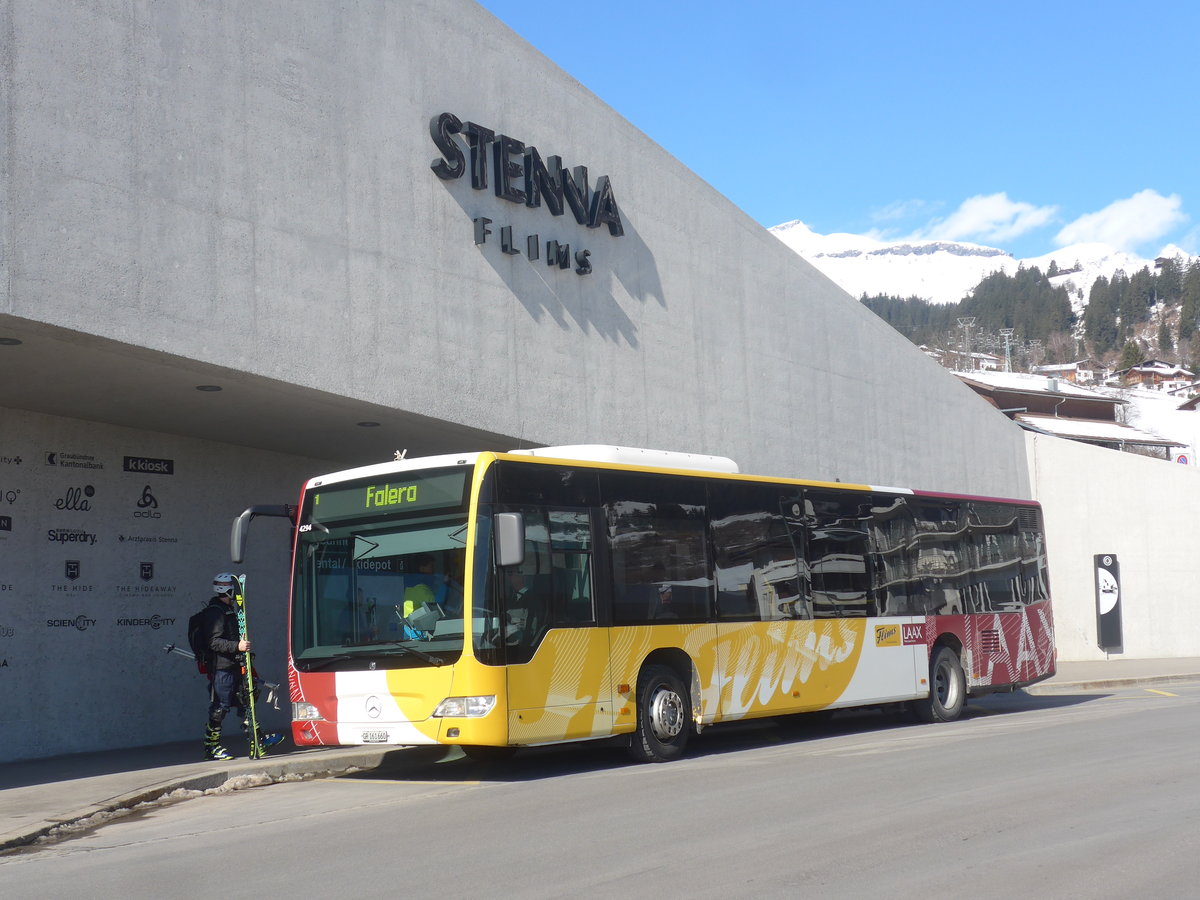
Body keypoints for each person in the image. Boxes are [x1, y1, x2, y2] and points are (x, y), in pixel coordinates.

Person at [199, 573, 283, 760]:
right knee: (220, 707)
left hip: (237, 664)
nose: (237, 595)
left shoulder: (230, 610)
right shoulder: (215, 612)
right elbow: (213, 642)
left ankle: (257, 740)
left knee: (248, 702)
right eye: (234, 591)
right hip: (222, 668)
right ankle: (211, 747)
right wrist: (236, 646)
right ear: (227, 590)